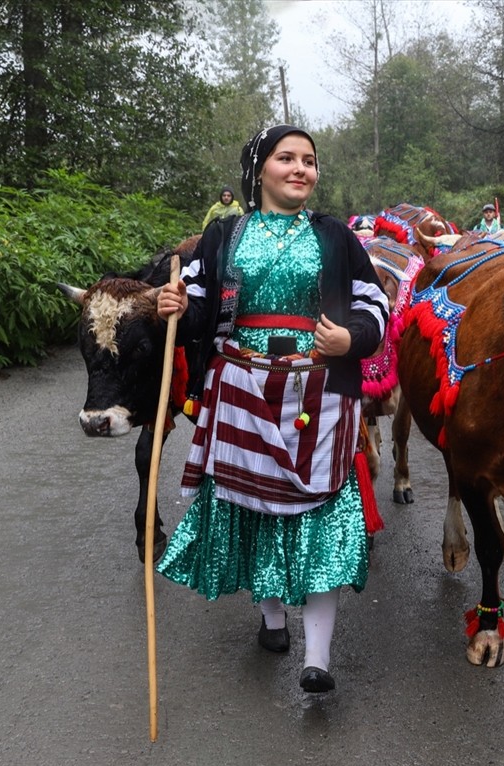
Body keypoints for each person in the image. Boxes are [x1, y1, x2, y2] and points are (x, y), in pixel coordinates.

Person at [156, 125, 388, 692]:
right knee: (253, 506)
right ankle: (271, 621)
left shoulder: (335, 236)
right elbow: (199, 305)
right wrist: (175, 307)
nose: (301, 169)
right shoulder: (223, 236)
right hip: (240, 387)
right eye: (287, 158)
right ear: (259, 169)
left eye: (309, 160)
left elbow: (373, 302)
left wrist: (351, 339)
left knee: (321, 514)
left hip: (319, 392)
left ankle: (318, 658)